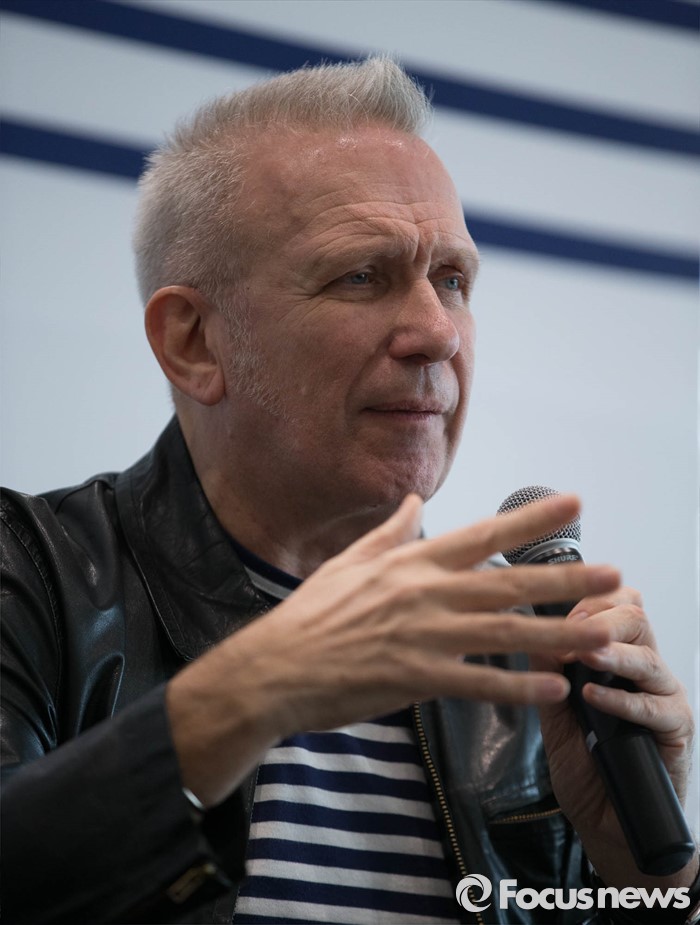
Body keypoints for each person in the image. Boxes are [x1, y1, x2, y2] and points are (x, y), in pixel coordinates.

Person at [1, 57, 697, 925]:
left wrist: (644, 884)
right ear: (193, 342)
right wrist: (249, 693)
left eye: (452, 280)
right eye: (361, 275)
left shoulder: (527, 661)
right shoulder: (30, 575)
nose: (437, 333)